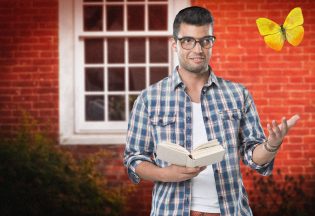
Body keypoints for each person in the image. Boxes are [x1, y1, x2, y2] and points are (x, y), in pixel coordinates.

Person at [124, 6, 299, 216]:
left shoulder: (238, 95)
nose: (197, 49)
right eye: (188, 41)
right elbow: (134, 158)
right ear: (174, 44)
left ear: (212, 43)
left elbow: (253, 157)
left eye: (205, 41)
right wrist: (164, 174)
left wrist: (271, 145)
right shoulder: (149, 98)